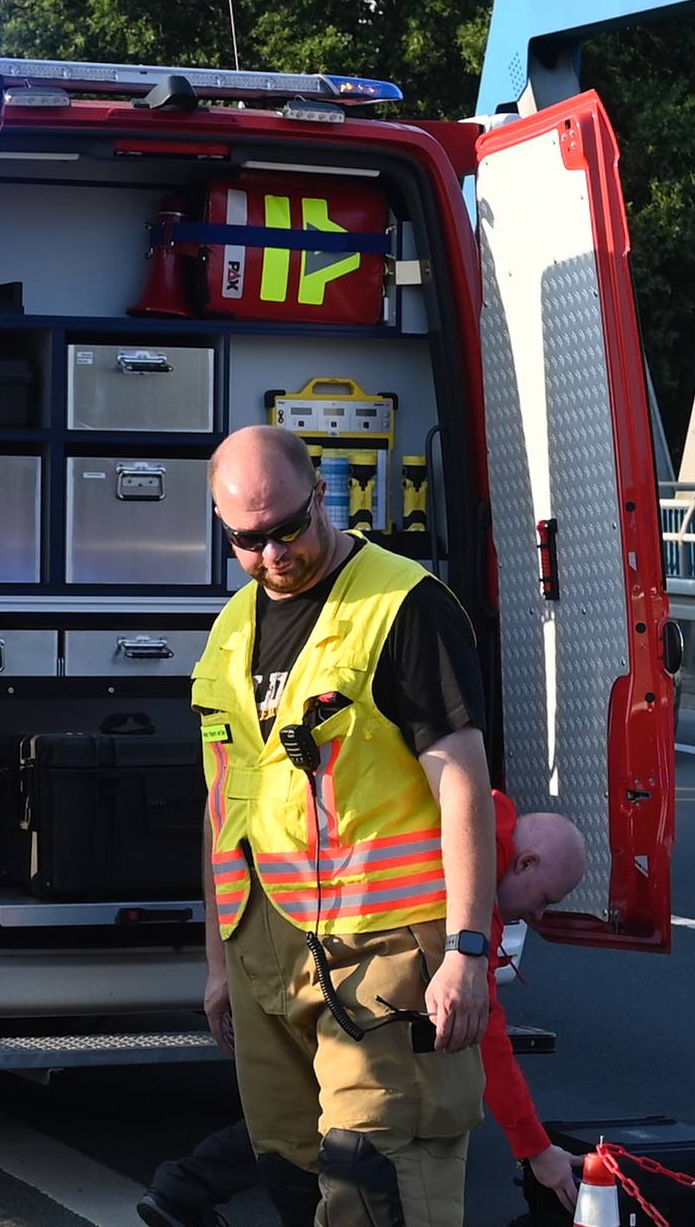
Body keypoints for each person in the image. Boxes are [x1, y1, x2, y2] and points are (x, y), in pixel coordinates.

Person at [197, 423, 497, 1226]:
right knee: (294, 1174)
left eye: (288, 529)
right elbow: (225, 803)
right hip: (268, 954)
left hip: (387, 955)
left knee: (380, 1184)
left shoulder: (402, 605)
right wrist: (221, 964)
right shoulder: (231, 628)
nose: (273, 555)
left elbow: (463, 783)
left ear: (321, 494)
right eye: (247, 540)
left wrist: (468, 949)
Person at [146, 809, 594, 1226]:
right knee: (369, 1124)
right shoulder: (469, 870)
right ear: (525, 863)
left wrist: (220, 968)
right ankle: (185, 1189)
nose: (538, 916)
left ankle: (183, 1190)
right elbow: (484, 1034)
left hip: (285, 951)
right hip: (357, 988)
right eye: (544, 899)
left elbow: (219, 818)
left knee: (296, 1118)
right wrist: (536, 1149)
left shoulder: (453, 820)